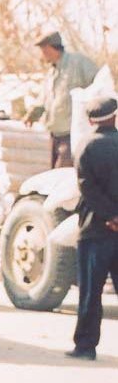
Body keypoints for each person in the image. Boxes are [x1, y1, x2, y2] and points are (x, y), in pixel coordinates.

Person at [65, 96, 118, 361]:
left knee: (90, 292)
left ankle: (85, 347)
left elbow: (87, 186)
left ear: (89, 120)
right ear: (115, 116)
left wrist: (110, 215)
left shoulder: (86, 145)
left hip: (95, 230)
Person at [28, 31, 99, 168]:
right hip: (55, 135)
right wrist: (32, 114)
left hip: (72, 134)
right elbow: (44, 100)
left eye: (43, 50)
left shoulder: (78, 62)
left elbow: (99, 85)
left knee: (63, 174)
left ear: (49, 48)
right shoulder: (52, 73)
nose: (42, 54)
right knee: (54, 177)